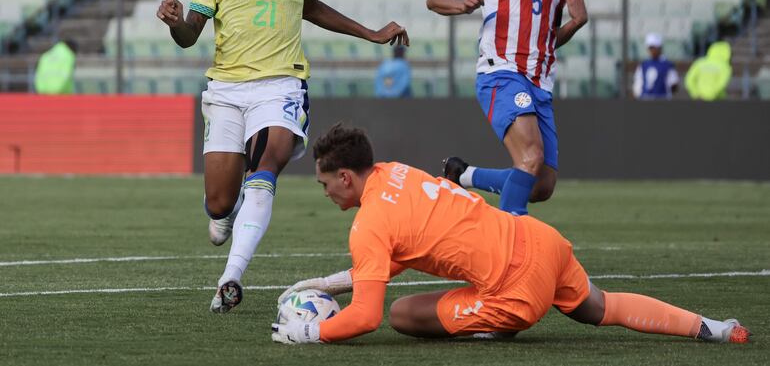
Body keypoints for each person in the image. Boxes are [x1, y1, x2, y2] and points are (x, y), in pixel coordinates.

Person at [156, 0, 409, 314]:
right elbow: (189, 36)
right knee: (219, 204)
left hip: (282, 83)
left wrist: (369, 33)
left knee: (267, 162)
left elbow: (310, 7)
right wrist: (176, 21)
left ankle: (230, 278)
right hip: (227, 88)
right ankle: (222, 213)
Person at [270, 124, 751, 345]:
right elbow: (396, 253)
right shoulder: (395, 172)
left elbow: (366, 318)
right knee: (602, 307)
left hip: (515, 289)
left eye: (325, 183)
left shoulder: (368, 223)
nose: (325, 192)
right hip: (540, 240)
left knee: (401, 314)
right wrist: (330, 283)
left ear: (347, 178)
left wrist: (310, 331)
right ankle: (714, 328)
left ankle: (488, 323)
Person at [425, 0, 588, 216]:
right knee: (530, 156)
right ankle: (511, 247)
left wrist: (576, 22)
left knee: (541, 184)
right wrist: (462, 5)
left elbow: (546, 39)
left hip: (540, 84)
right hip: (502, 72)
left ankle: (463, 175)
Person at [632, 33, 679, 99]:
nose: (651, 51)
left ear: (659, 48)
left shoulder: (668, 65)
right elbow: (638, 85)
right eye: (650, 48)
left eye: (653, 48)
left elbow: (674, 84)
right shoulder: (643, 65)